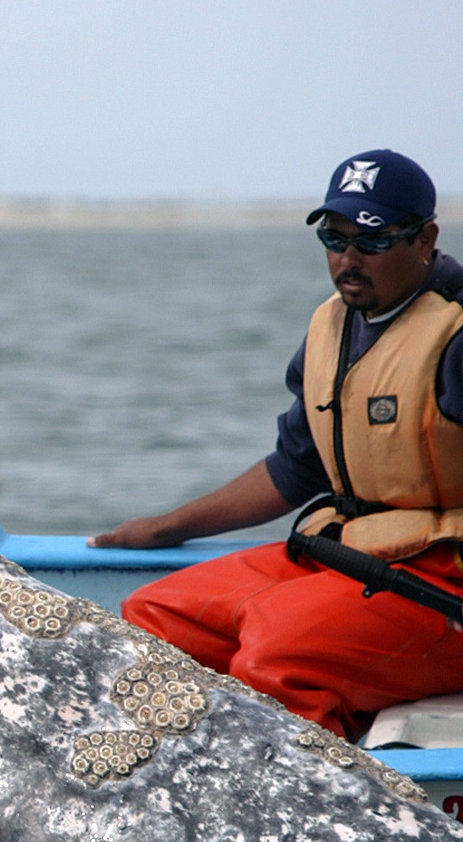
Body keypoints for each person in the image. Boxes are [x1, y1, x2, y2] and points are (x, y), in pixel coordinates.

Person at [93, 149, 463, 737]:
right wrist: (166, 528)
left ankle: (318, 807)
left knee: (277, 651)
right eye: (334, 239)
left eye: (370, 241)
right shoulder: (335, 327)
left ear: (425, 240)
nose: (348, 259)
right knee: (152, 617)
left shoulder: (456, 335)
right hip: (351, 556)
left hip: (445, 584)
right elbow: (296, 469)